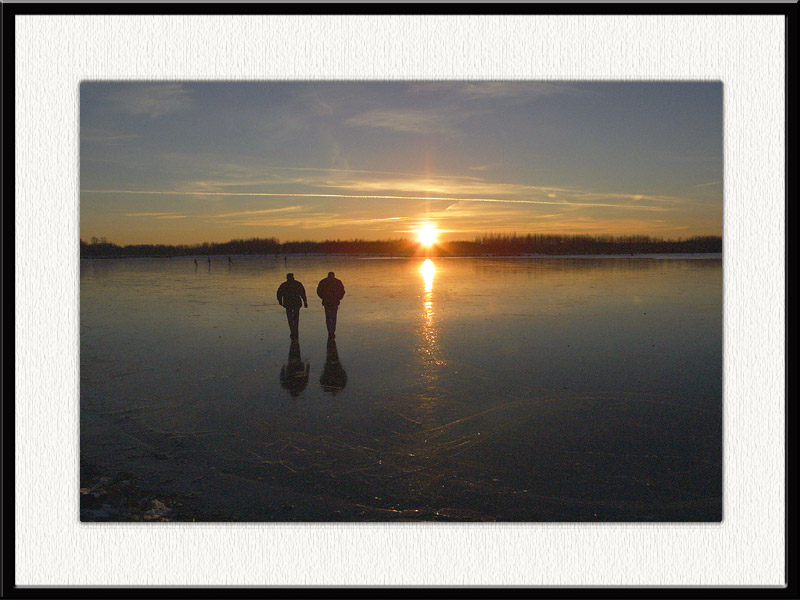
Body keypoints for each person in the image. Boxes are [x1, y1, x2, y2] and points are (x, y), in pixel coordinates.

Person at [276, 273, 308, 340]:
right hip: (293, 303)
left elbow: (279, 293)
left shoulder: (285, 285)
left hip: (290, 303)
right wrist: (305, 301)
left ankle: (293, 330)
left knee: (291, 318)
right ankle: (294, 330)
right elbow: (303, 293)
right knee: (294, 317)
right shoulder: (296, 284)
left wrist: (280, 301)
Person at [316, 271, 345, 338]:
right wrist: (338, 298)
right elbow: (319, 291)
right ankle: (331, 331)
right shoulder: (337, 282)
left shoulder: (324, 282)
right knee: (332, 317)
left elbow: (342, 291)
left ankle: (330, 331)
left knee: (329, 317)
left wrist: (324, 298)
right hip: (330, 302)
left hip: (330, 302)